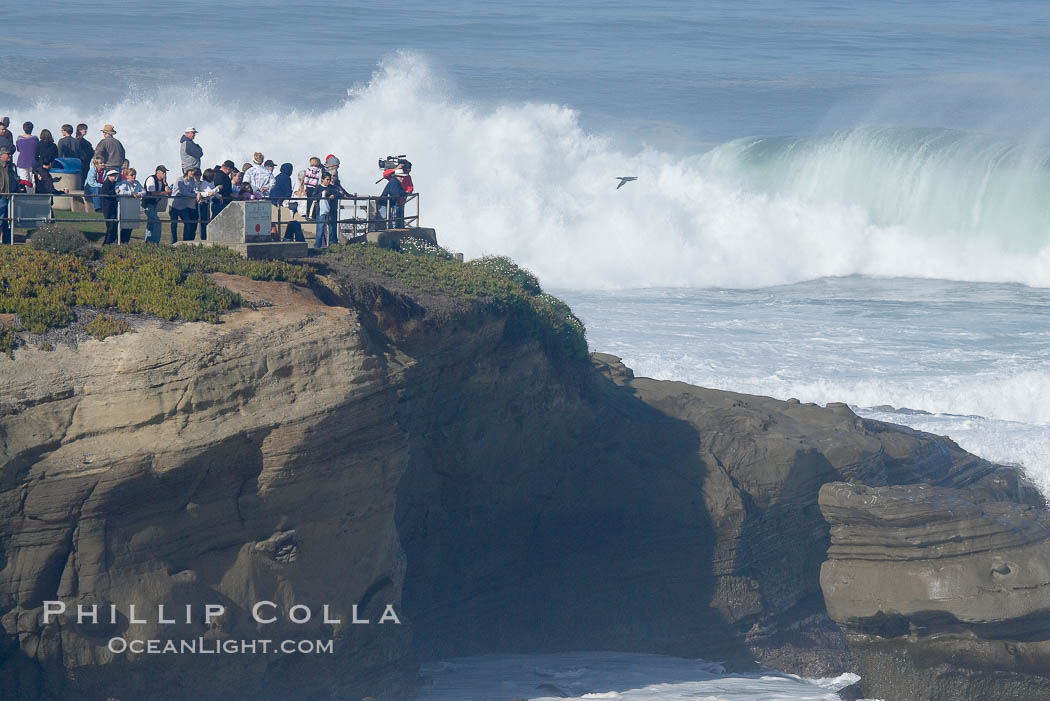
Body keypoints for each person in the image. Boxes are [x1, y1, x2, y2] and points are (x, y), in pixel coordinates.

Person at [0, 146, 26, 244]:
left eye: (10, 154)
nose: (10, 156)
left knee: (9, 222)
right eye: (7, 154)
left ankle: (7, 243)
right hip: (2, 197)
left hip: (11, 198)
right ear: (1, 156)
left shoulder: (12, 167)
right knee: (0, 220)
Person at [169, 167, 201, 242]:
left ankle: (185, 241)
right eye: (191, 171)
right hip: (174, 206)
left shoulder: (192, 180)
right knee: (174, 225)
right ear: (187, 172)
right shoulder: (179, 180)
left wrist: (198, 193)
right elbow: (185, 192)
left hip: (183, 206)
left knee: (187, 223)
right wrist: (196, 195)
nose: (192, 173)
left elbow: (194, 190)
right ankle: (173, 242)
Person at [381, 159, 413, 228]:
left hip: (400, 201)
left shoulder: (407, 177)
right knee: (391, 219)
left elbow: (410, 188)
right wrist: (395, 169)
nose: (402, 179)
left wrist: (406, 193)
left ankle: (398, 229)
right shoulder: (395, 178)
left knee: (398, 219)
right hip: (393, 201)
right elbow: (385, 175)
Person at [142, 165, 170, 244]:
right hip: (148, 204)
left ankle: (148, 242)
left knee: (151, 223)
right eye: (162, 172)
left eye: (165, 172)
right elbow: (152, 192)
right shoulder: (151, 179)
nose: (164, 174)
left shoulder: (162, 182)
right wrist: (165, 192)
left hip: (154, 204)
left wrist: (165, 182)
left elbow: (168, 191)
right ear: (157, 172)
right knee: (157, 222)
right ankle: (155, 241)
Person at [117, 168, 144, 243]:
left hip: (133, 207)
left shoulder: (137, 183)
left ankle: (126, 241)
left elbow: (144, 191)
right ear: (127, 176)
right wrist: (131, 193)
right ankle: (121, 241)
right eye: (131, 175)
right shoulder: (124, 183)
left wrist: (139, 194)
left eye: (135, 175)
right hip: (126, 207)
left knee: (131, 225)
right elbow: (121, 192)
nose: (134, 177)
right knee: (125, 226)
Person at [15, 122, 39, 188]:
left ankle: (25, 195)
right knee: (32, 179)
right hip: (33, 161)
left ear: (23, 129)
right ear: (32, 129)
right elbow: (37, 150)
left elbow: (18, 149)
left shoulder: (19, 139)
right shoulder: (35, 139)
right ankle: (32, 195)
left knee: (24, 179)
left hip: (22, 161)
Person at [198, 168, 219, 239]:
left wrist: (219, 196)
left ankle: (206, 236)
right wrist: (218, 188)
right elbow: (210, 192)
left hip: (208, 203)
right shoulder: (204, 183)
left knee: (207, 220)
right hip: (203, 204)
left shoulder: (211, 183)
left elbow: (213, 192)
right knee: (203, 221)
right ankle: (203, 237)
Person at [100, 169, 120, 245]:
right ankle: (107, 243)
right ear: (108, 176)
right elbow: (105, 193)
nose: (114, 177)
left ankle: (110, 242)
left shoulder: (115, 183)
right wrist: (115, 192)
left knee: (114, 225)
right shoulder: (106, 184)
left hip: (113, 207)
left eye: (115, 175)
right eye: (112, 175)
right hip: (107, 207)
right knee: (110, 226)